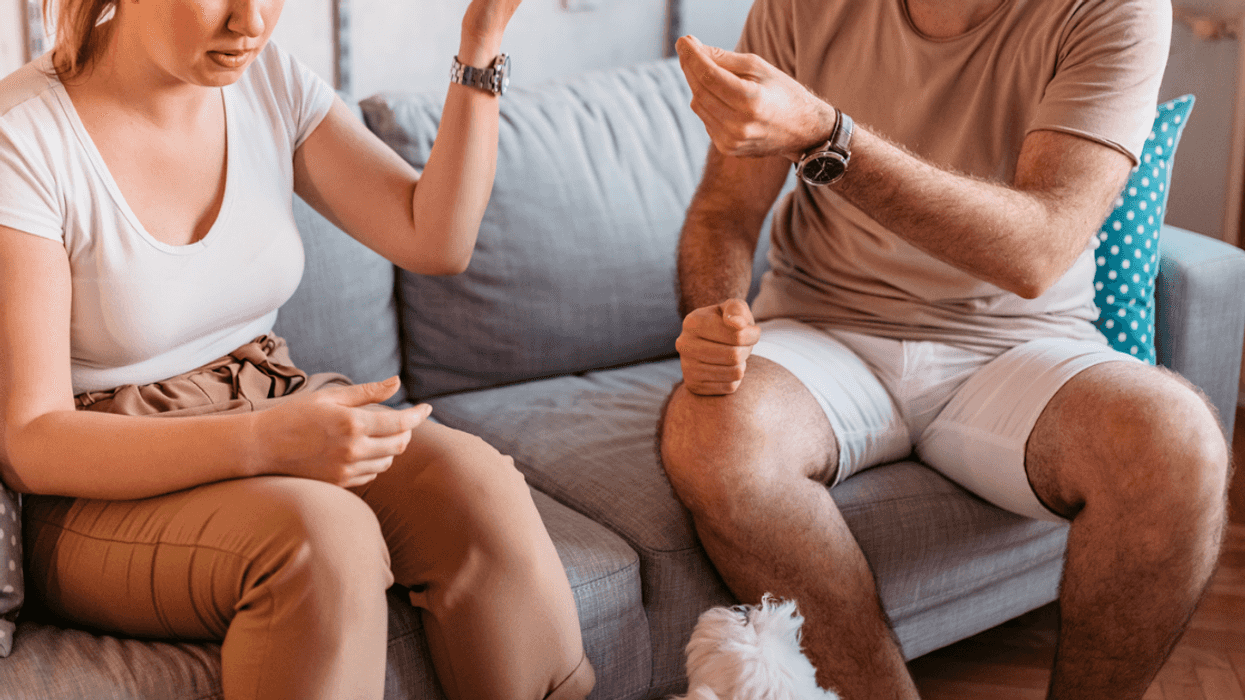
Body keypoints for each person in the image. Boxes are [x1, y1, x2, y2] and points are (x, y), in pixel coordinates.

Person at [0, 0, 596, 696]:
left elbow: (432, 237)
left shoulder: (266, 79)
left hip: (264, 396)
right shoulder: (24, 138)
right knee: (325, 536)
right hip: (97, 487)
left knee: (473, 484)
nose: (250, 22)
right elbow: (31, 439)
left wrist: (482, 37)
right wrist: (266, 443)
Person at [658, 0, 1231, 698]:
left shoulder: (1115, 9)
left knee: (1179, 446)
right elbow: (725, 210)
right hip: (823, 325)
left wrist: (827, 137)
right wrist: (713, 314)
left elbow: (1037, 248)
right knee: (709, 430)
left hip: (1017, 342)